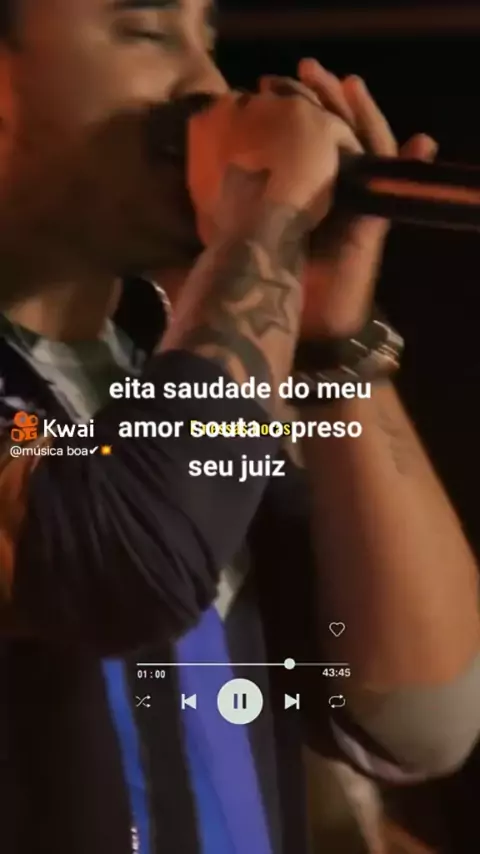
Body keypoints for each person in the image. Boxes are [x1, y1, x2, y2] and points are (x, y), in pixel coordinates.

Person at [0, 1, 479, 852]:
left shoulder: (174, 372)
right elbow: (123, 563)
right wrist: (269, 218)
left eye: (207, 40)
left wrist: (328, 348)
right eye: (145, 31)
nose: (207, 83)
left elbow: (419, 718)